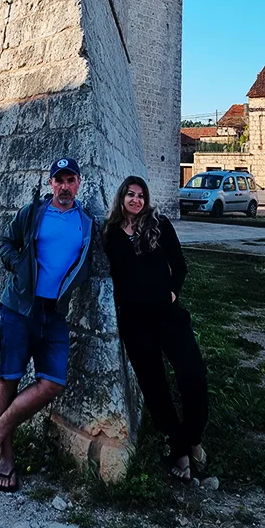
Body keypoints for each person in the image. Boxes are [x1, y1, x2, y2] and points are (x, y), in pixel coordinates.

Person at [0, 157, 94, 492]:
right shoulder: (33, 213)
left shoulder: (86, 224)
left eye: (70, 180)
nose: (64, 187)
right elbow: (6, 243)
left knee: (53, 381)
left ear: (78, 183)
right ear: (50, 183)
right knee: (9, 377)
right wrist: (20, 266)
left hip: (54, 313)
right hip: (19, 307)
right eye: (59, 180)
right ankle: (6, 458)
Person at [103, 176, 209, 482]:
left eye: (140, 195)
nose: (136, 199)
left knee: (193, 373)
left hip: (167, 315)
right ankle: (178, 448)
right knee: (155, 387)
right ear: (121, 198)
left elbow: (180, 266)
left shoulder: (159, 225)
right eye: (130, 194)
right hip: (136, 322)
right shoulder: (111, 234)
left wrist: (172, 293)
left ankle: (193, 436)